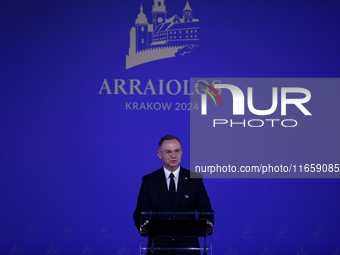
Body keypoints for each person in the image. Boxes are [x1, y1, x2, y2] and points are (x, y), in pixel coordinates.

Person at [133, 135, 214, 255]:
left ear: (182, 152)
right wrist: (143, 227)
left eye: (177, 151)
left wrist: (208, 225)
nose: (174, 155)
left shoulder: (194, 179)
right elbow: (140, 211)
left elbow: (206, 210)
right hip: (159, 248)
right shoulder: (149, 181)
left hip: (188, 247)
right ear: (159, 154)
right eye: (168, 152)